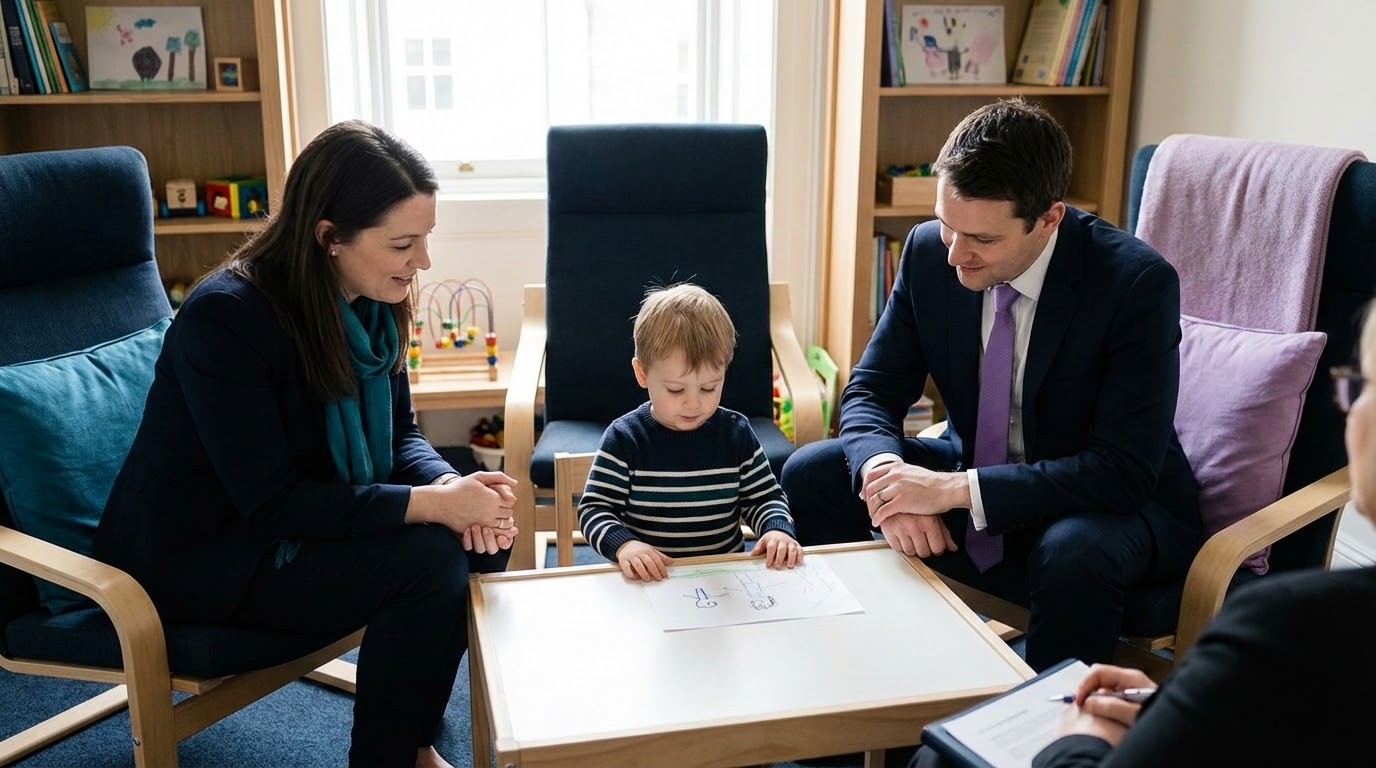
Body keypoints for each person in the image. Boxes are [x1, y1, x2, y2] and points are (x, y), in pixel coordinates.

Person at [93, 120, 518, 768]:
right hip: (209, 556)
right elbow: (270, 503)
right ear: (329, 238)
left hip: (299, 518)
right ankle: (389, 757)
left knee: (483, 533)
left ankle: (411, 736)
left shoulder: (375, 302)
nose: (423, 262)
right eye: (405, 243)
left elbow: (402, 433)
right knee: (429, 562)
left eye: (425, 240)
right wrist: (433, 507)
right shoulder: (227, 319)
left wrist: (448, 488)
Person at [779, 97, 1202, 672]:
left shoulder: (1135, 285)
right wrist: (887, 486)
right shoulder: (932, 252)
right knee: (813, 472)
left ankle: (1047, 742)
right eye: (947, 225)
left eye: (980, 238)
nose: (955, 253)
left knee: (1073, 552)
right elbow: (872, 390)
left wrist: (948, 492)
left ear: (1049, 218)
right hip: (977, 476)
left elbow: (1121, 473)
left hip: (1104, 508)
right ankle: (856, 681)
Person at [1016, 304, 1376, 766]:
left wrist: (1075, 740)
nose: (1348, 411)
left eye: (1360, 386)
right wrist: (1190, 704)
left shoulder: (1287, 626)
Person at [577, 282, 803, 582]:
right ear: (642, 373)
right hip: (654, 582)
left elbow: (764, 498)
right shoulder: (624, 439)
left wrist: (775, 528)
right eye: (676, 389)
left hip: (725, 579)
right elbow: (595, 509)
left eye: (709, 387)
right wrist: (625, 545)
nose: (694, 403)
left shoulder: (736, 433)